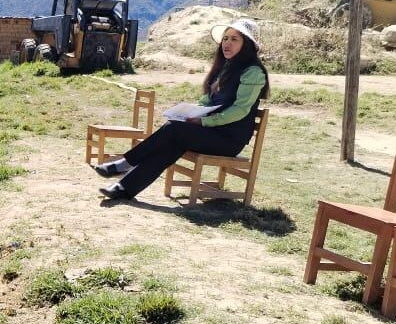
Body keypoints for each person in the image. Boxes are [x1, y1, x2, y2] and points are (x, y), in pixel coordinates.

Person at [94, 19, 270, 200]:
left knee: (173, 129)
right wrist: (191, 112)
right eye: (225, 38)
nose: (227, 43)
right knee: (173, 141)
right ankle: (123, 189)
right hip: (211, 132)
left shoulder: (253, 72)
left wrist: (203, 121)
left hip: (229, 139)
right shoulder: (225, 68)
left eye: (234, 39)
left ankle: (125, 163)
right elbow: (208, 101)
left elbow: (240, 110)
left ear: (247, 45)